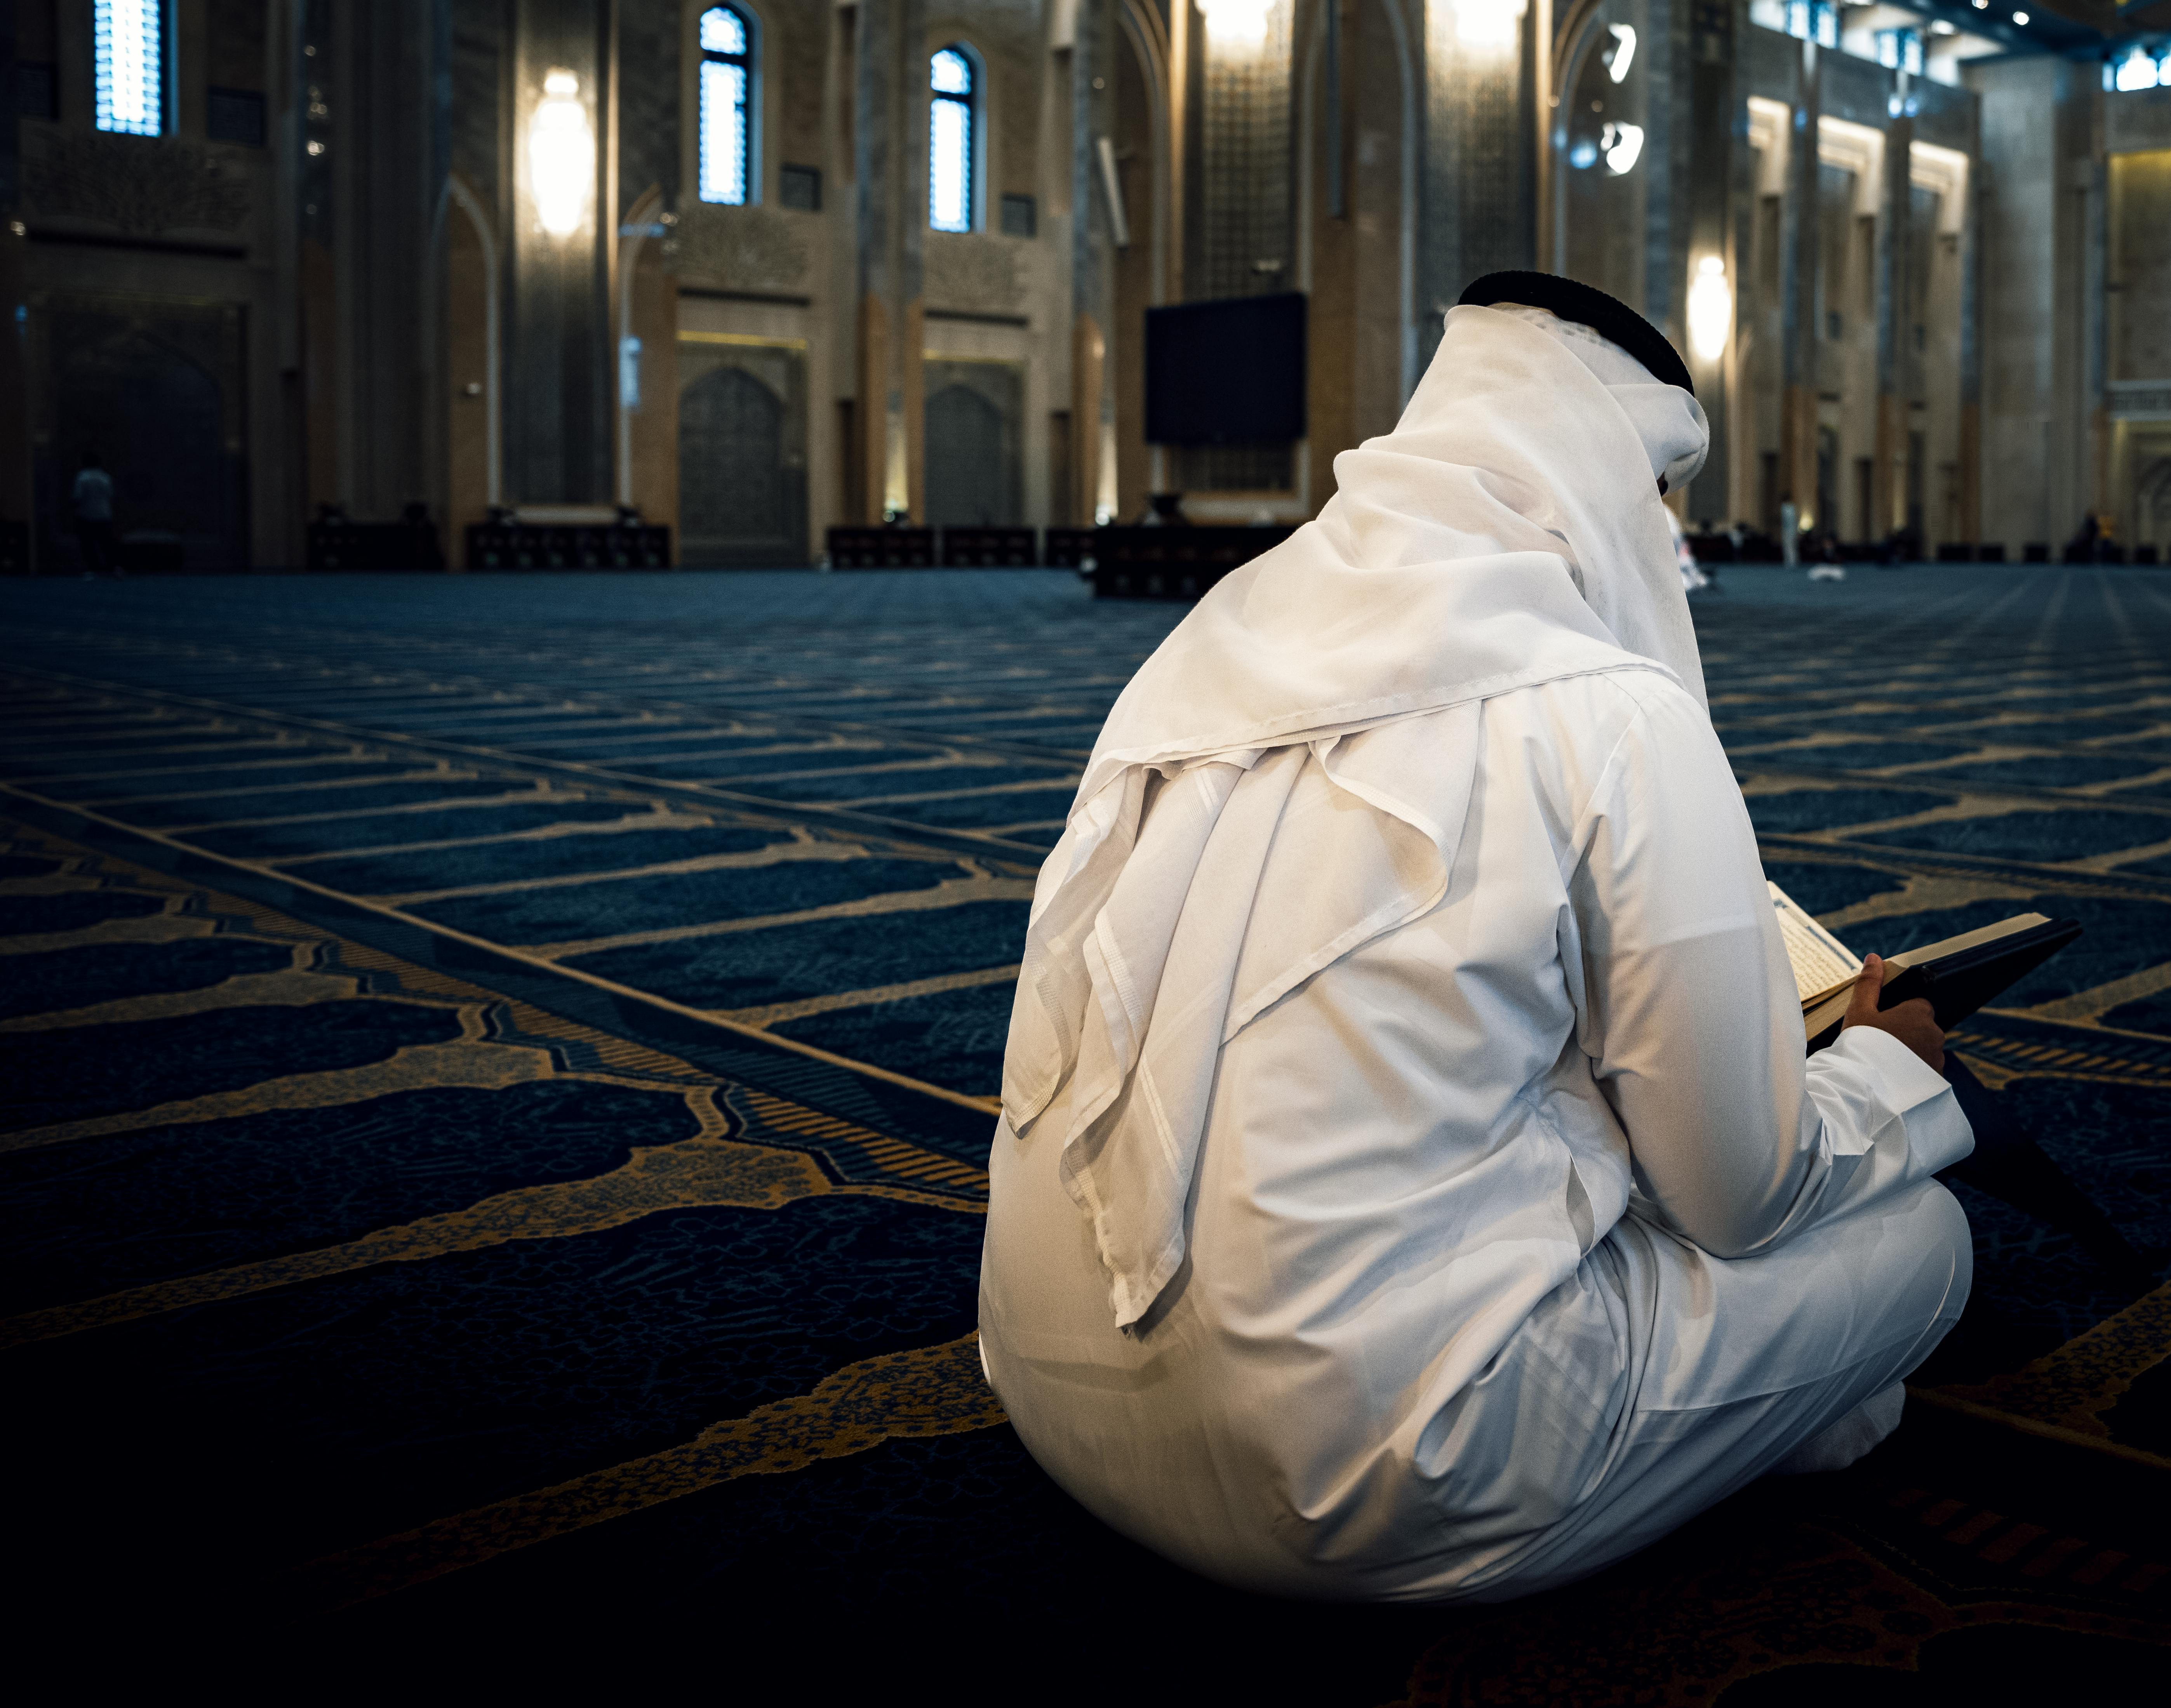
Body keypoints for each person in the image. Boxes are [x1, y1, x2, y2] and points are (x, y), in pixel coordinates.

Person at [981, 271, 1973, 1604]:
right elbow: (1739, 1194)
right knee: (1927, 1236)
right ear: (1615, 483)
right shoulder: (1609, 708)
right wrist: (1893, 1067)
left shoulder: (1207, 651)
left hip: (1051, 1390)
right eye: (1657, 494)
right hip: (1367, 1476)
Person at [71, 452, 116, 576]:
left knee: (88, 544)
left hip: (86, 515)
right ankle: (112, 567)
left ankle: (93, 568)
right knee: (106, 543)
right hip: (104, 514)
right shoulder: (105, 478)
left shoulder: (82, 478)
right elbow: (111, 496)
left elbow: (77, 497)